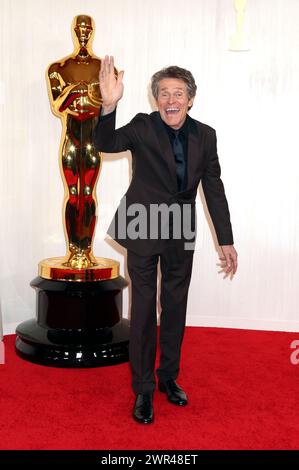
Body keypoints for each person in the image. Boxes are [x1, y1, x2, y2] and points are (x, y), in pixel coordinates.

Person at [93, 56, 238, 424]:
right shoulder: (142, 126)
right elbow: (105, 142)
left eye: (178, 93)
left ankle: (168, 378)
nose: (170, 100)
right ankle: (142, 390)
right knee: (142, 309)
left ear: (190, 99)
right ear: (155, 99)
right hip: (141, 225)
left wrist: (226, 239)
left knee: (174, 306)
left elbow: (213, 188)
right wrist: (109, 105)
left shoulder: (206, 135)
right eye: (163, 94)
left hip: (178, 229)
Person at [47, 15, 103, 269]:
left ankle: (87, 250)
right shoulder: (58, 68)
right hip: (70, 139)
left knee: (88, 193)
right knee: (72, 194)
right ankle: (73, 251)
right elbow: (58, 106)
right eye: (79, 28)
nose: (83, 32)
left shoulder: (104, 68)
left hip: (92, 139)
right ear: (73, 31)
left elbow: (106, 103)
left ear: (92, 32)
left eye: (87, 28)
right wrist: (76, 90)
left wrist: (85, 93)